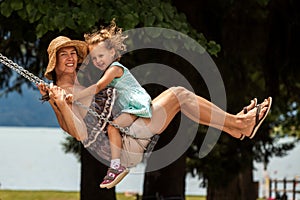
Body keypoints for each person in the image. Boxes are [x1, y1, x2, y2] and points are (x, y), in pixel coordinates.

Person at [37, 35, 272, 189]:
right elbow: (77, 132)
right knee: (179, 94)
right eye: (63, 54)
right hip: (124, 144)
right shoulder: (64, 91)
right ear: (54, 62)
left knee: (181, 98)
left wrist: (57, 100)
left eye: (72, 53)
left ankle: (235, 127)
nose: (70, 58)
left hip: (130, 130)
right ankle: (239, 124)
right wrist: (59, 102)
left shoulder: (76, 85)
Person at [71, 21, 152, 189]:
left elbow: (99, 87)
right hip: (130, 105)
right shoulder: (110, 70)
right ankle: (118, 163)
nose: (98, 60)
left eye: (101, 56)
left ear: (112, 52)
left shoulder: (114, 68)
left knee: (112, 127)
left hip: (136, 103)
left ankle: (116, 166)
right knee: (114, 128)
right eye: (94, 58)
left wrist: (77, 96)